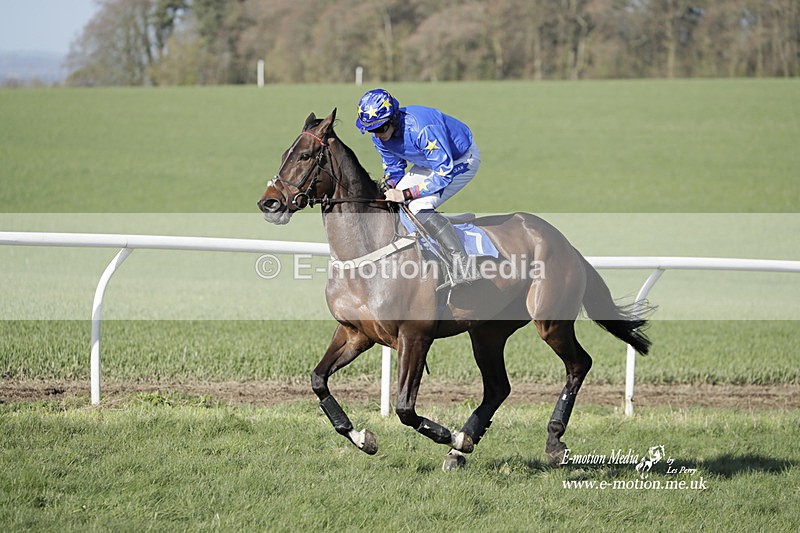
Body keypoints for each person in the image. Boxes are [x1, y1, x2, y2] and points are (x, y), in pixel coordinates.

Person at [355, 88, 481, 286]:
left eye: (379, 129)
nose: (376, 135)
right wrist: (389, 187)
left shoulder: (422, 128)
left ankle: (463, 266)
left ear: (392, 120)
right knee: (393, 203)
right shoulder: (378, 136)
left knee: (416, 206)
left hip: (459, 161)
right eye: (371, 130)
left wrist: (406, 193)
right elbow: (394, 168)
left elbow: (443, 173)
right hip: (427, 163)